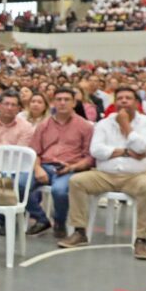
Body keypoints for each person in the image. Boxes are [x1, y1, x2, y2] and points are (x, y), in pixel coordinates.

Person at [58, 87, 146, 260]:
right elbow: (96, 150)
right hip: (105, 175)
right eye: (120, 98)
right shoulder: (104, 123)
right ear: (115, 102)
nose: (124, 101)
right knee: (77, 181)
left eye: (128, 98)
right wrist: (126, 152)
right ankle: (80, 231)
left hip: (136, 176)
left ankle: (142, 239)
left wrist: (125, 126)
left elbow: (142, 147)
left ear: (136, 102)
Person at [24, 86, 95, 238]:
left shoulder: (85, 126)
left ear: (74, 103)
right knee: (18, 184)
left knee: (59, 191)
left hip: (70, 168)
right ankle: (41, 219)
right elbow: (34, 151)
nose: (62, 103)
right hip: (45, 166)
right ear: (53, 103)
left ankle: (59, 221)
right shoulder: (44, 125)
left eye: (66, 100)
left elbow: (90, 158)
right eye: (59, 100)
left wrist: (73, 167)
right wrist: (37, 168)